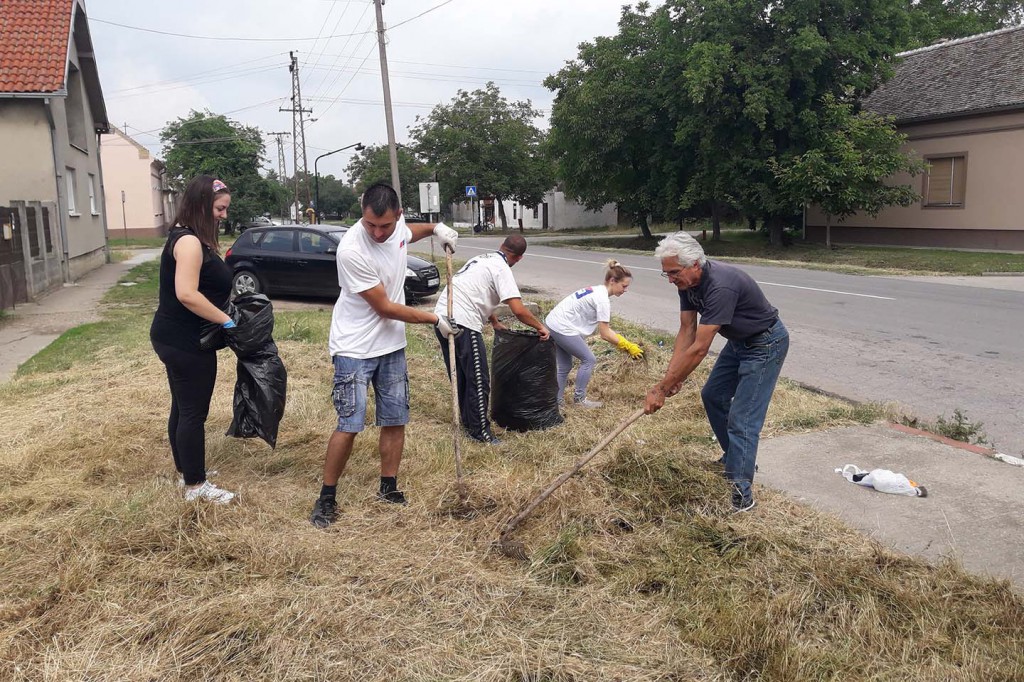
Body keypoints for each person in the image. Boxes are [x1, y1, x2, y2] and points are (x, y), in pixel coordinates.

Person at [310, 183, 460, 528]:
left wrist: (438, 229)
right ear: (362, 215)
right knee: (350, 423)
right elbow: (384, 308)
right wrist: (435, 319)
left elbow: (410, 233)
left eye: (385, 226)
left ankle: (388, 487)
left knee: (394, 418)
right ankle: (327, 497)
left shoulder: (397, 231)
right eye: (370, 225)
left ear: (398, 216)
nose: (378, 233)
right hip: (354, 347)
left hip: (391, 346)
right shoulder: (351, 250)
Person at [643, 232, 789, 513]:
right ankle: (735, 456)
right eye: (667, 274)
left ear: (695, 264)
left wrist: (663, 387)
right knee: (713, 395)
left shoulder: (721, 286)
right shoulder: (686, 284)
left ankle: (741, 494)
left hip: (765, 344)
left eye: (673, 273)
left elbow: (699, 349)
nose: (671, 279)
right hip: (738, 342)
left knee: (743, 418)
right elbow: (687, 330)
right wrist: (670, 378)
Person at [150, 176, 237, 504]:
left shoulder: (188, 236)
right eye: (219, 208)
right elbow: (186, 294)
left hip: (172, 336)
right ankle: (196, 486)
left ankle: (186, 472)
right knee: (192, 413)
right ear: (202, 205)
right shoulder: (187, 242)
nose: (223, 215)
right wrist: (226, 319)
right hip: (185, 341)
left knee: (182, 407)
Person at [432, 235, 550, 444]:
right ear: (519, 257)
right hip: (463, 322)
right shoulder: (502, 268)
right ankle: (481, 432)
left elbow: (477, 292)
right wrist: (540, 327)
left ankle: (469, 422)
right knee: (478, 379)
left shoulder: (482, 259)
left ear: (501, 246)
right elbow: (519, 311)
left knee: (461, 376)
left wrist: (494, 321)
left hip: (442, 316)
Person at [545, 260, 644, 408]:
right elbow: (605, 333)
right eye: (624, 286)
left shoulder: (597, 290)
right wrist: (627, 345)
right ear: (612, 281)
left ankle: (556, 402)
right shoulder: (602, 299)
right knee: (589, 359)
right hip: (562, 326)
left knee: (565, 365)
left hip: (553, 323)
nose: (625, 290)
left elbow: (602, 329)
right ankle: (579, 400)